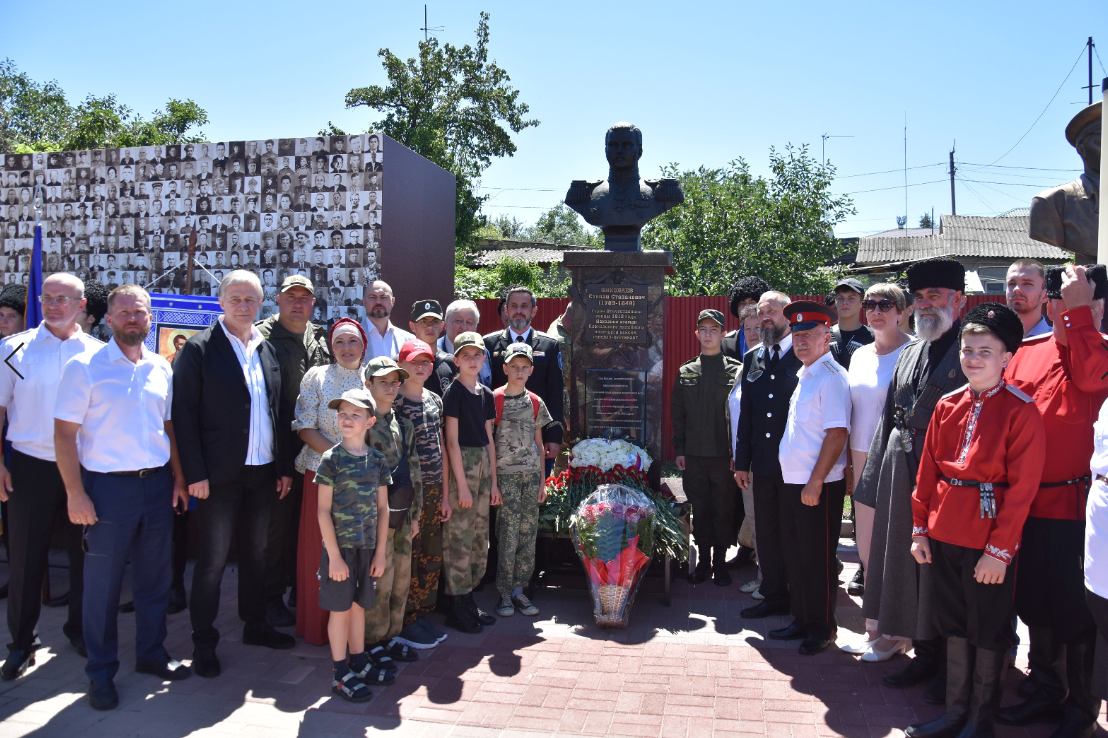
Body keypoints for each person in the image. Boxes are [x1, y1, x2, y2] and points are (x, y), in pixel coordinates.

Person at [906, 303, 1045, 738]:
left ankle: (979, 722)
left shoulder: (1022, 411)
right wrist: (919, 529)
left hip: (988, 542)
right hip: (944, 531)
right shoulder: (947, 405)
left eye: (985, 350)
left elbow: (1021, 494)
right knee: (952, 624)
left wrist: (999, 553)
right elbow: (927, 472)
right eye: (968, 349)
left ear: (1006, 358)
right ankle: (953, 714)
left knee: (988, 630)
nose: (973, 358)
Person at [54, 284, 192, 710]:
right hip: (108, 489)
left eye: (141, 313)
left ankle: (151, 654)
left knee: (154, 581)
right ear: (109, 318)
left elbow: (168, 429)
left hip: (155, 487)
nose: (134, 319)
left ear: (151, 319)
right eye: (125, 312)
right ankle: (100, 671)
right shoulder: (85, 366)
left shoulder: (160, 367)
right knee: (103, 588)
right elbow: (63, 434)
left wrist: (179, 479)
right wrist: (75, 493)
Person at [999, 264, 1108, 738]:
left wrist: (1080, 315)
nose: (1064, 309)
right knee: (1035, 605)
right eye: (1060, 300)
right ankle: (1045, 691)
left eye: (1074, 300)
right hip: (1026, 505)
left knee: (1074, 613)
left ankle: (1081, 710)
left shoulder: (1096, 351)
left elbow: (1088, 377)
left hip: (1073, 508)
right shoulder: (1027, 351)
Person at [172, 270, 295, 679]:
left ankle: (255, 625)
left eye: (251, 299)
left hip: (261, 473)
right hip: (217, 477)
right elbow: (183, 416)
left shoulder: (266, 349)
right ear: (221, 301)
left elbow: (276, 414)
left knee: (256, 555)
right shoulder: (199, 349)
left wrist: (281, 468)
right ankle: (203, 641)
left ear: (261, 303)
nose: (244, 306)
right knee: (211, 560)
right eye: (236, 298)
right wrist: (195, 473)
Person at [859, 256, 968, 702]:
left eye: (935, 296)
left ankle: (950, 667)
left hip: (950, 482)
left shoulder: (974, 350)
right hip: (902, 473)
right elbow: (888, 419)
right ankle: (923, 653)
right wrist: (873, 481)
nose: (926, 305)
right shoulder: (911, 352)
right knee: (911, 565)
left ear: (958, 300)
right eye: (920, 297)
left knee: (945, 574)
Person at [0, 274, 102, 681]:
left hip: (83, 468)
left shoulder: (99, 353)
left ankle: (78, 629)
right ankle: (21, 643)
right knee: (25, 557)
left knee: (85, 556)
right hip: (30, 466)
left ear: (81, 305)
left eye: (64, 299)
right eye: (47, 298)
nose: (54, 305)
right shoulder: (13, 349)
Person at [769, 301, 851, 656]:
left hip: (817, 484)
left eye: (809, 335)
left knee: (817, 559)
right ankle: (802, 618)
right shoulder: (808, 373)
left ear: (826, 337)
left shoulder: (831, 378)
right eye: (797, 335)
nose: (801, 342)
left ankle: (822, 627)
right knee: (797, 555)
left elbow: (836, 434)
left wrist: (815, 483)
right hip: (795, 479)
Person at [841, 284, 915, 657]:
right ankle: (873, 628)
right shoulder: (859, 355)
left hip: (898, 461)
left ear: (902, 311)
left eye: (885, 304)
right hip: (860, 458)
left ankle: (897, 633)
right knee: (867, 549)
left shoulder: (915, 352)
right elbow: (852, 413)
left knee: (896, 549)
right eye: (870, 304)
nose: (876, 310)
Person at [256, 275, 332, 628]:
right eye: (291, 297)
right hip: (278, 445)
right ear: (278, 299)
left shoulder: (320, 336)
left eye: (305, 298)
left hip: (315, 447)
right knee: (277, 526)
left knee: (308, 524)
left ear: (313, 303)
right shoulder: (261, 336)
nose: (298, 303)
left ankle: (298, 589)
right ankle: (268, 597)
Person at [293, 318, 369, 646]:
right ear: (331, 346)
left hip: (364, 478)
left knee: (356, 553)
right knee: (320, 551)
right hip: (322, 474)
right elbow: (306, 427)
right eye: (340, 342)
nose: (347, 348)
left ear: (363, 345)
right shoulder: (317, 377)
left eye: (353, 341)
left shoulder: (375, 377)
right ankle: (318, 627)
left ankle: (354, 634)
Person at [314, 388, 391, 703]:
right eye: (342, 413)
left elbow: (385, 509)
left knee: (359, 606)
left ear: (370, 421)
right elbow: (322, 511)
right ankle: (340, 672)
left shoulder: (377, 461)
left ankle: (358, 661)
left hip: (367, 548)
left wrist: (381, 552)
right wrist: (333, 557)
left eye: (355, 414)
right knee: (340, 610)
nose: (347, 419)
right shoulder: (331, 459)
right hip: (340, 551)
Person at [734, 291, 803, 619]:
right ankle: (773, 594)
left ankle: (799, 597)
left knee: (794, 533)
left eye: (771, 311)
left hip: (797, 466)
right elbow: (746, 414)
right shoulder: (753, 358)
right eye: (761, 313)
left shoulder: (806, 354)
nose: (765, 318)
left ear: (788, 315)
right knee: (769, 532)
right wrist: (742, 462)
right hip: (761, 464)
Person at [672, 309, 743, 586]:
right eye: (704, 329)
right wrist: (680, 449)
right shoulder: (686, 370)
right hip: (694, 456)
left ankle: (720, 562)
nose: (709, 334)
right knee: (700, 509)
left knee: (723, 509)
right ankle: (702, 562)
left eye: (714, 329)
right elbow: (678, 413)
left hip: (724, 456)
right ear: (697, 334)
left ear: (723, 334)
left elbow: (741, 415)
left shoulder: (736, 371)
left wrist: (738, 455)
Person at [362, 356, 423, 670]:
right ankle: (371, 641)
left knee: (401, 577)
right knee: (379, 579)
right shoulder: (363, 425)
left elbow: (414, 470)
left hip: (402, 514)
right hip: (376, 517)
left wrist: (415, 515)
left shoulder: (405, 424)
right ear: (368, 384)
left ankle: (391, 636)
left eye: (395, 381)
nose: (390, 386)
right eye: (382, 381)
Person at [441, 332, 501, 633]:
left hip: (482, 466)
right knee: (459, 539)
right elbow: (450, 441)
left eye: (477, 355)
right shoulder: (454, 392)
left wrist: (492, 483)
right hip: (461, 466)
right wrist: (461, 485)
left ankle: (469, 597)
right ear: (456, 360)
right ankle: (456, 603)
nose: (472, 360)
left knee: (479, 538)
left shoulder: (486, 394)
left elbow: (489, 438)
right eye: (466, 355)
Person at [393, 339, 451, 649]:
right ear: (401, 365)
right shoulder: (396, 402)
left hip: (433, 489)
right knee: (410, 555)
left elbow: (440, 446)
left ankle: (422, 611)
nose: (421, 367)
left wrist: (443, 495)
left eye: (427, 361)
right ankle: (405, 617)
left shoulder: (434, 400)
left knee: (431, 552)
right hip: (409, 492)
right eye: (415, 361)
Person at [491, 342, 555, 617]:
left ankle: (519, 591)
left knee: (527, 535)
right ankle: (504, 593)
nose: (519, 371)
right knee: (506, 534)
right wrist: (492, 483)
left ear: (531, 370)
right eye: (513, 367)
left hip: (530, 477)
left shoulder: (536, 401)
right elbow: (489, 444)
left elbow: (539, 444)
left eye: (524, 367)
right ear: (505, 368)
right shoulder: (494, 398)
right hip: (505, 477)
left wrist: (543, 482)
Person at [482, 286, 564, 470]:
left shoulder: (549, 346)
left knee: (537, 493)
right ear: (506, 310)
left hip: (537, 437)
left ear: (534, 310)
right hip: (499, 437)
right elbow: (485, 389)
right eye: (514, 306)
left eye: (524, 306)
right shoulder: (489, 344)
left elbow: (555, 392)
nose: (519, 311)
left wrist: (553, 436)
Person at [728, 304, 763, 594]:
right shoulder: (747, 363)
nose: (752, 333)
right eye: (747, 328)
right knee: (754, 517)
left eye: (758, 327)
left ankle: (769, 580)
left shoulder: (775, 364)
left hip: (763, 459)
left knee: (762, 519)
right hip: (745, 458)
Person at [439, 299, 491, 390]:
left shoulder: (483, 352)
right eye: (458, 321)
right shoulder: (435, 352)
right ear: (446, 323)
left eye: (469, 322)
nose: (464, 327)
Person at [407, 300, 452, 399]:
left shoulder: (452, 364)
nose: (430, 327)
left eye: (435, 322)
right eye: (423, 322)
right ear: (412, 326)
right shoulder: (402, 363)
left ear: (442, 326)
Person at [362, 280, 415, 360]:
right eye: (372, 297)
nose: (378, 302)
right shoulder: (352, 337)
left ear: (392, 302)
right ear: (364, 302)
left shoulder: (408, 340)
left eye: (384, 297)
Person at [830, 278, 874, 370]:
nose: (845, 302)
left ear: (861, 303)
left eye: (851, 298)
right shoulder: (824, 335)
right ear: (836, 302)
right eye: (840, 298)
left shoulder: (873, 337)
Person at [723, 276, 771, 360]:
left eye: (751, 302)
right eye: (742, 303)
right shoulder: (726, 343)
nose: (746, 307)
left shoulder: (774, 337)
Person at [1005, 259, 1051, 337]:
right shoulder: (990, 340)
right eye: (1011, 284)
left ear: (1045, 295)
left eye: (1027, 284)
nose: (1016, 289)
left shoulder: (1058, 341)